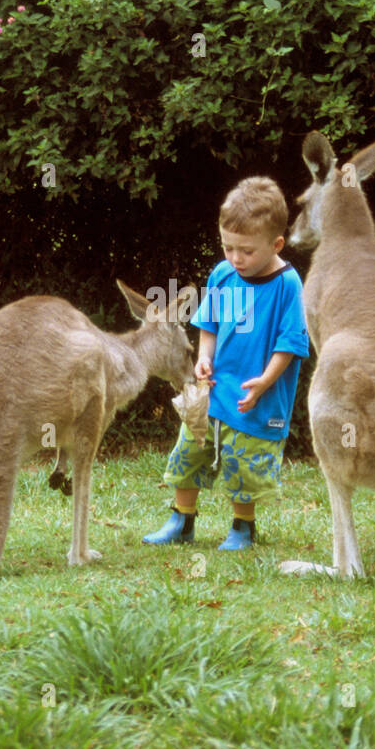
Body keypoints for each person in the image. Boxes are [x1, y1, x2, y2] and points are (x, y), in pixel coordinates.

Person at [143, 176, 309, 550]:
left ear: (276, 244)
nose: (235, 258)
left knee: (243, 463)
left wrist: (265, 381)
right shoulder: (223, 275)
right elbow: (209, 323)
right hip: (214, 391)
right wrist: (203, 358)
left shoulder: (287, 285)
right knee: (189, 451)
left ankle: (242, 527)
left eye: (246, 251)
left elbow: (290, 342)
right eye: (228, 247)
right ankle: (181, 520)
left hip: (255, 396)